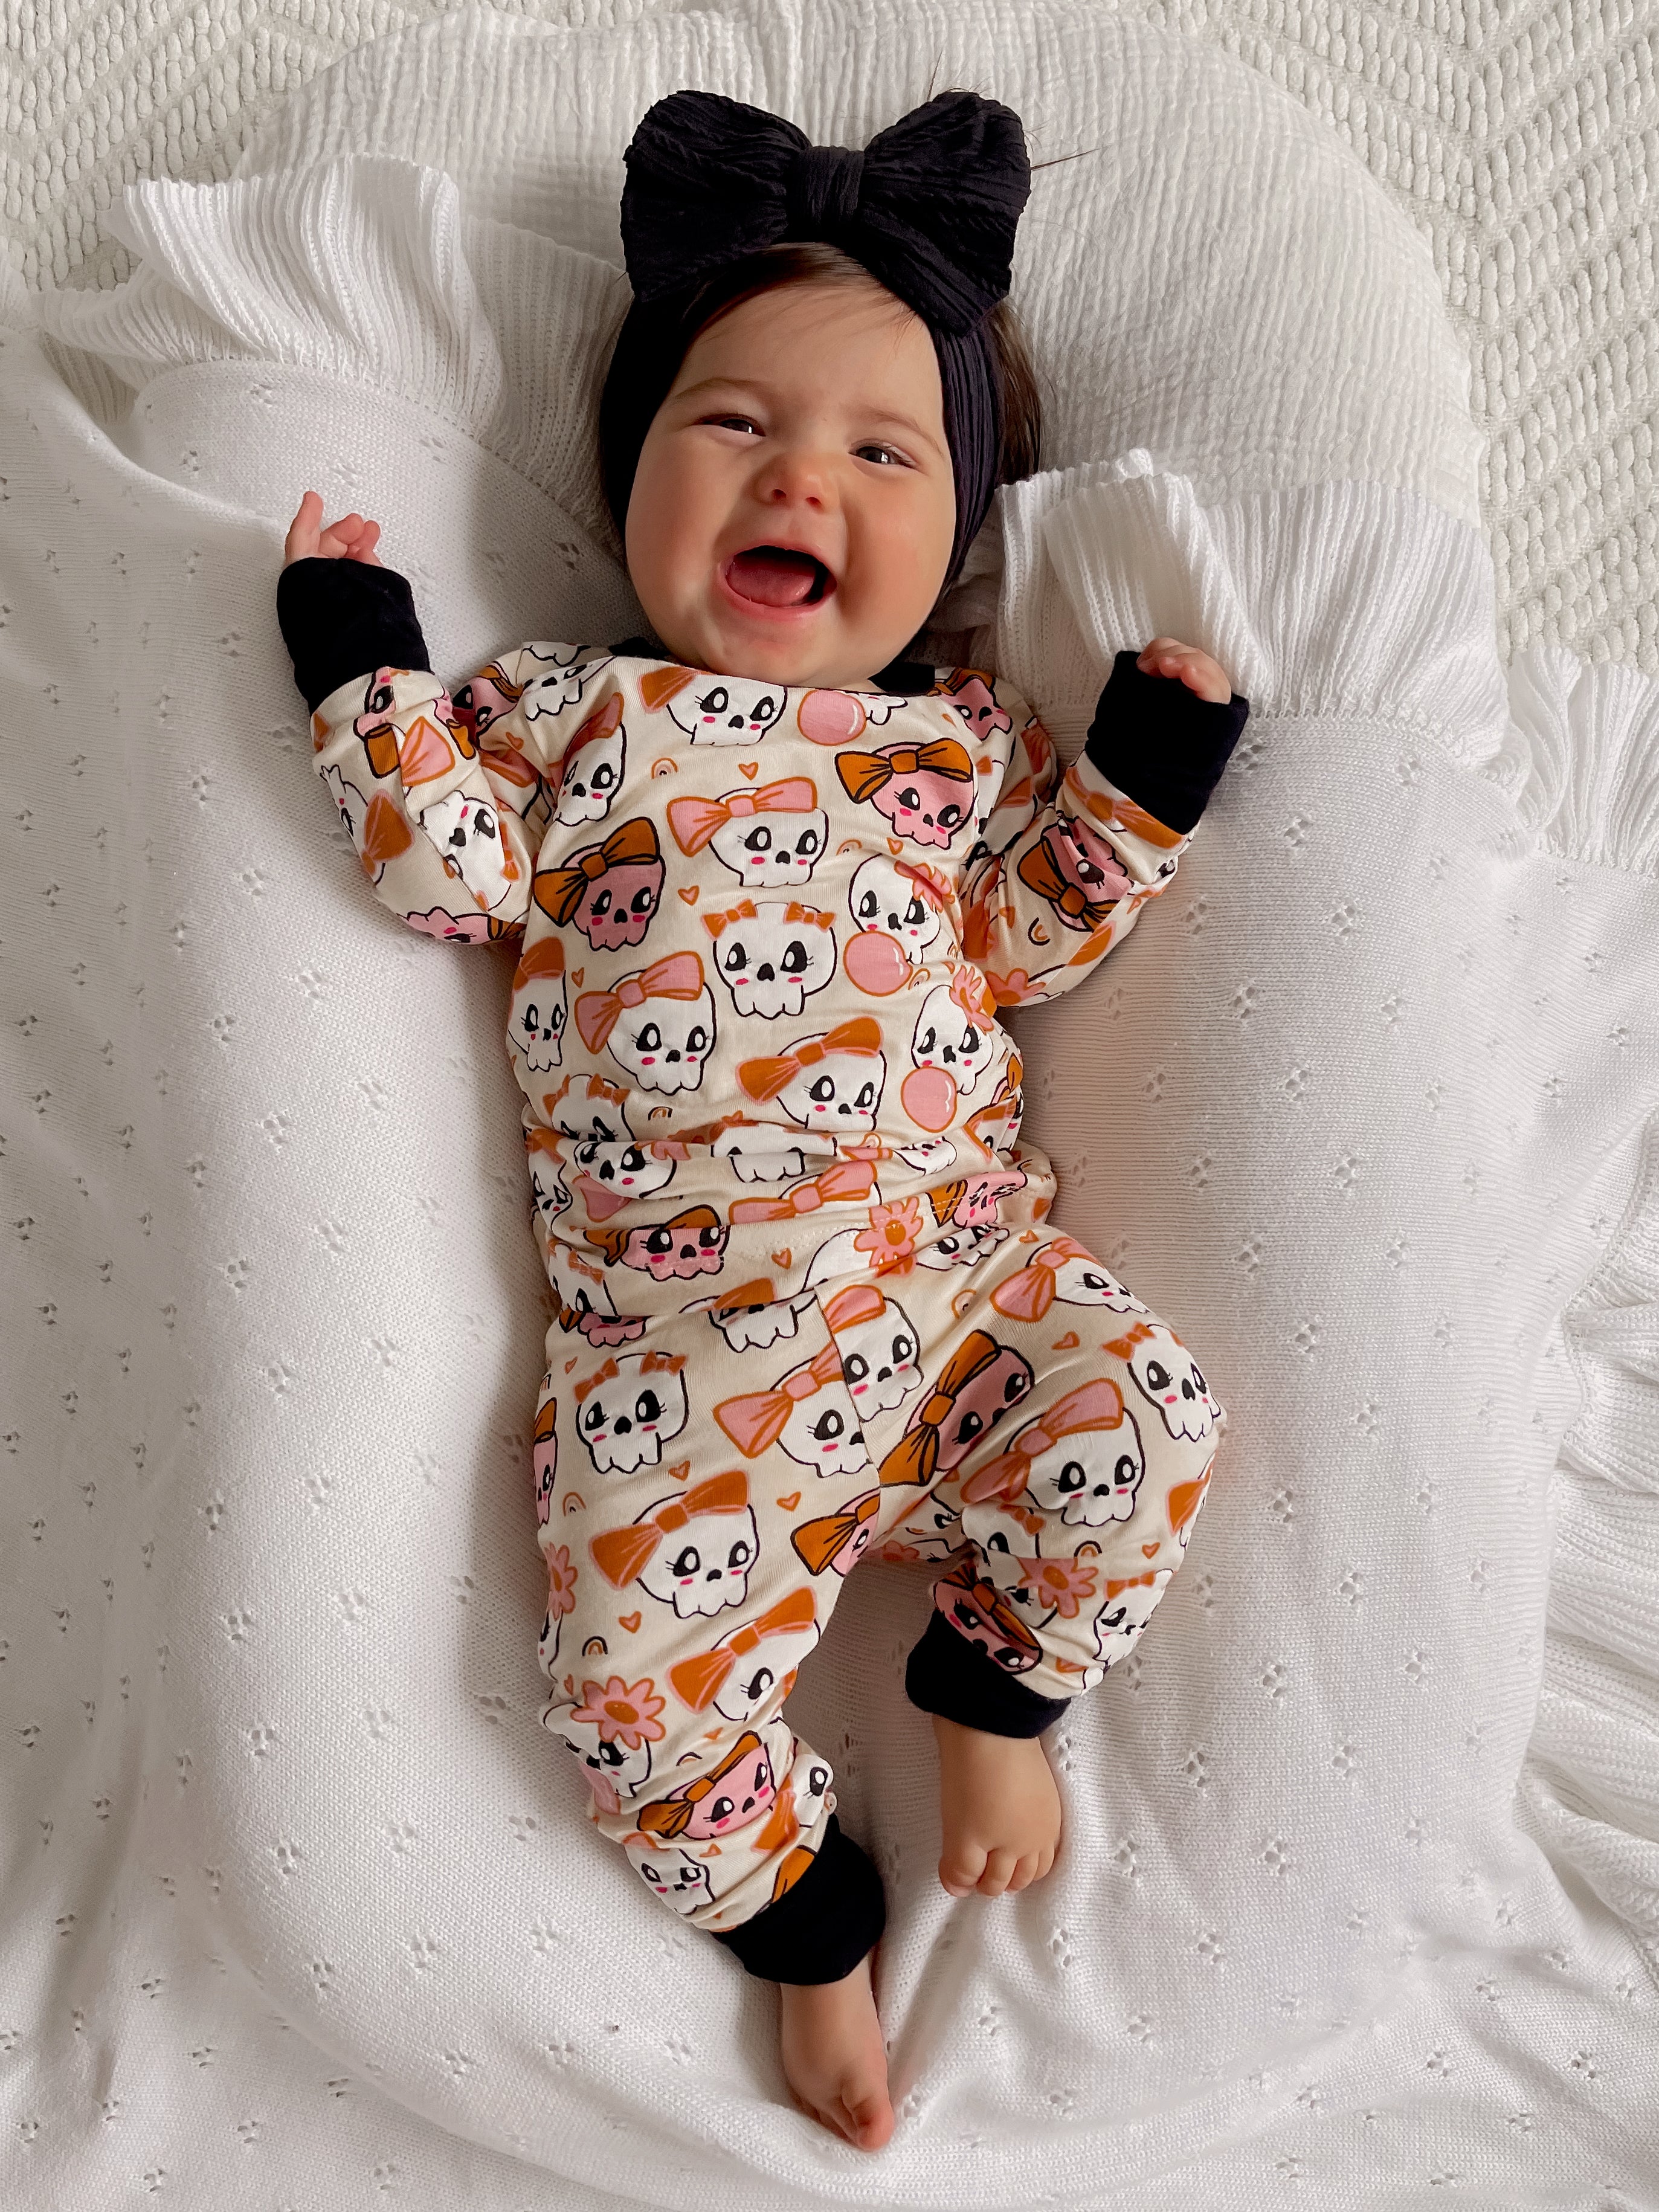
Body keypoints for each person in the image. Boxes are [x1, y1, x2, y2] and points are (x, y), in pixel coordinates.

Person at [276, 87, 1246, 2153]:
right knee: (626, 1686)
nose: (799, 472)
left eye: (879, 453)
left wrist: (1141, 780)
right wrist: (361, 665)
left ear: (954, 538)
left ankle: (989, 1693)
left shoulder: (950, 745)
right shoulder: (561, 717)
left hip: (953, 1274)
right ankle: (801, 1922)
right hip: (687, 1352)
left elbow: (1024, 938)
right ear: (632, 473)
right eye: (728, 425)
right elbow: (441, 865)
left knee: (1144, 1412)